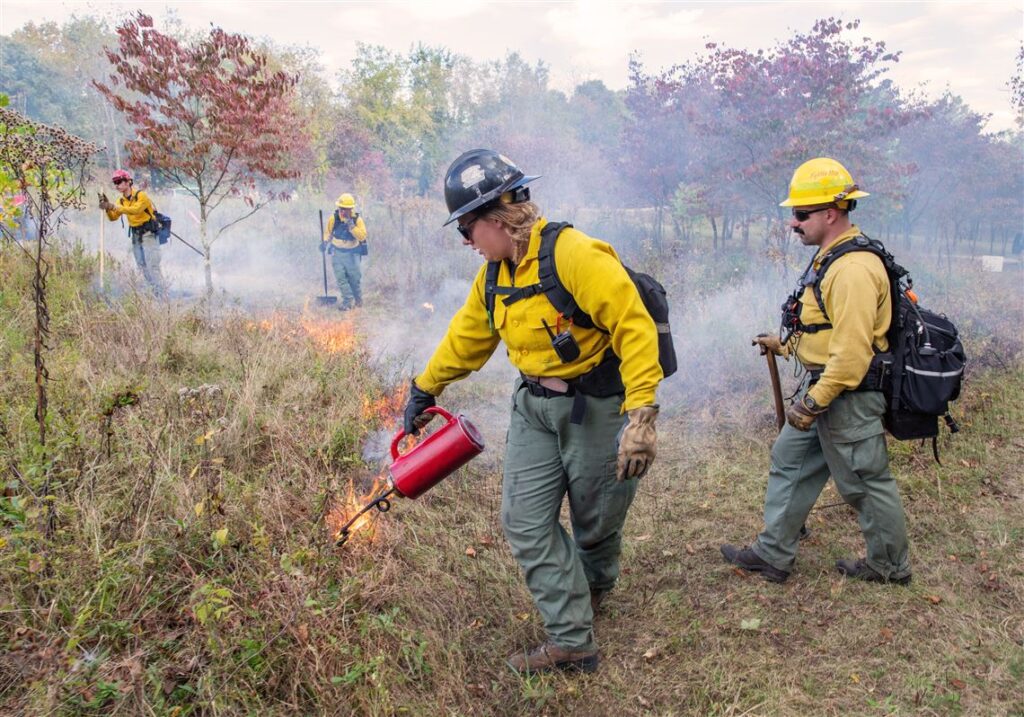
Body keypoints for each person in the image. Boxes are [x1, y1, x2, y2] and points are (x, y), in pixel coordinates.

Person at [403, 149, 663, 674]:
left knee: (596, 521)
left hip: (597, 407)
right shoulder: (495, 275)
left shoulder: (574, 254)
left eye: (467, 228)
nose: (465, 241)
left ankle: (592, 588)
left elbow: (634, 328)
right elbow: (468, 338)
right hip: (534, 409)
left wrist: (642, 417)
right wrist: (424, 388)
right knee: (524, 520)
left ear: (496, 219)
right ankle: (572, 639)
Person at [721, 157, 912, 586]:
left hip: (846, 395)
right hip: (827, 391)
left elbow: (850, 355)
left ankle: (889, 566)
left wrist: (811, 402)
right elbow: (825, 329)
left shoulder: (853, 270)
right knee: (789, 460)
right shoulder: (832, 258)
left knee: (863, 482)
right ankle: (773, 554)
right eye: (793, 213)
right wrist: (786, 344)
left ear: (831, 213)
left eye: (801, 214)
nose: (793, 223)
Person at [100, 169, 165, 295]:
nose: (117, 185)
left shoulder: (141, 196)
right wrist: (107, 208)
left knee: (153, 266)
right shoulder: (121, 201)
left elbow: (136, 210)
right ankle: (154, 291)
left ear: (128, 181)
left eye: (119, 181)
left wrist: (114, 206)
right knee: (142, 266)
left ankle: (163, 294)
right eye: (115, 182)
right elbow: (113, 218)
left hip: (148, 234)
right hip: (136, 236)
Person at [321, 193, 367, 310]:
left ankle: (358, 300)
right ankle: (347, 302)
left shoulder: (357, 220)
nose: (342, 211)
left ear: (351, 209)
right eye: (341, 208)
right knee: (341, 279)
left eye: (345, 209)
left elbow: (362, 237)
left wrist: (352, 227)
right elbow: (328, 232)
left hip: (352, 254)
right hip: (337, 253)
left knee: (354, 279)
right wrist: (325, 242)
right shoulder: (334, 218)